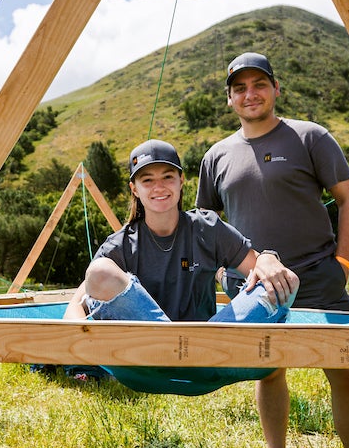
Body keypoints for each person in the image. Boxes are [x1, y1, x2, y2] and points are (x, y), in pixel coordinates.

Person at [197, 52, 349, 448]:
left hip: (317, 276)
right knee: (270, 371)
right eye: (239, 88)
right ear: (229, 98)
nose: (250, 94)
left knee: (348, 374)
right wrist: (221, 272)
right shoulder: (216, 156)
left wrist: (341, 260)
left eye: (259, 84)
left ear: (276, 89)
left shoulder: (309, 136)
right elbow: (204, 224)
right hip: (253, 287)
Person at [64, 139, 298, 363]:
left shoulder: (207, 227)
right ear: (134, 189)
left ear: (181, 180)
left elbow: (256, 267)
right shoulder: (120, 245)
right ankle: (172, 350)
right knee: (99, 269)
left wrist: (266, 257)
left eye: (168, 177)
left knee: (288, 281)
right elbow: (77, 303)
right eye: (147, 180)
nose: (159, 187)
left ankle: (193, 353)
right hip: (147, 355)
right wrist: (82, 346)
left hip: (209, 346)